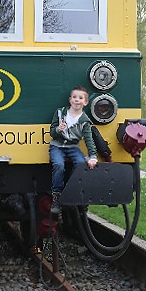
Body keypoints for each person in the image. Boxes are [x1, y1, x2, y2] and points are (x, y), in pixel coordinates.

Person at [48, 86, 98, 216]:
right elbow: (52, 133)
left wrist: (93, 156)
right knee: (58, 165)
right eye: (74, 97)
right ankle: (56, 198)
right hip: (57, 146)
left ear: (85, 102)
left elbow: (89, 139)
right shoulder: (60, 113)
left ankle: (73, 192)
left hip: (72, 147)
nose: (77, 100)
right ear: (70, 100)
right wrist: (58, 129)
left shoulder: (85, 121)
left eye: (80, 98)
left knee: (81, 164)